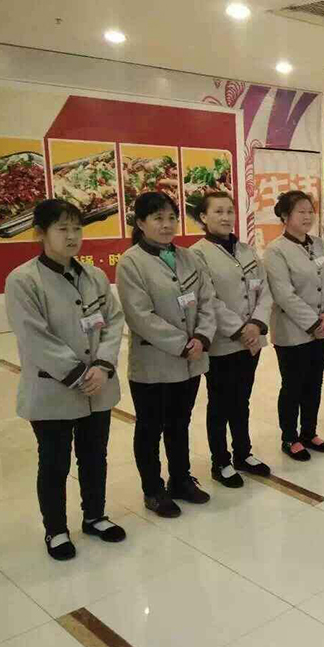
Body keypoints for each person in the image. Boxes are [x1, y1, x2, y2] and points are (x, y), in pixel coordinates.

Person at [5, 199, 127, 560]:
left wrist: (102, 365)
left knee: (94, 455)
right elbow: (33, 335)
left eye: (77, 228)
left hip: (98, 386)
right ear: (40, 234)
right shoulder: (23, 280)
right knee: (54, 462)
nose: (72, 236)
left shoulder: (94, 276)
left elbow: (113, 320)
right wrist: (77, 373)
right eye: (62, 229)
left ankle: (95, 516)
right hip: (53, 389)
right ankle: (56, 529)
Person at [117, 191, 216, 518]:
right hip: (155, 364)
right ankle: (153, 489)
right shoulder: (131, 262)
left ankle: (180, 480)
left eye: (171, 217)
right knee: (150, 427)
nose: (167, 225)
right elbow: (140, 316)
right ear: (141, 223)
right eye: (158, 218)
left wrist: (202, 336)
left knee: (179, 422)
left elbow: (207, 299)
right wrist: (182, 344)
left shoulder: (189, 257)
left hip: (191, 360)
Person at [190, 192, 271, 487]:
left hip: (252, 341)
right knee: (220, 403)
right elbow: (208, 300)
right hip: (223, 343)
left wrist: (256, 325)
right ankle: (220, 461)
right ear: (203, 217)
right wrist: (240, 331)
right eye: (218, 211)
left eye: (229, 211)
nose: (226, 217)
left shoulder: (246, 250)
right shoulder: (197, 254)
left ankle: (243, 453)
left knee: (242, 400)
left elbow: (264, 289)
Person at [264, 190, 324, 460]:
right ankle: (289, 437)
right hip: (292, 332)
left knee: (314, 383)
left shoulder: (319, 245)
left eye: (310, 211)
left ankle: (309, 432)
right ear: (285, 216)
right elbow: (284, 295)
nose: (308, 217)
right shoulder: (275, 251)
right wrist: (314, 323)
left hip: (322, 329)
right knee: (293, 386)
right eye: (301, 212)